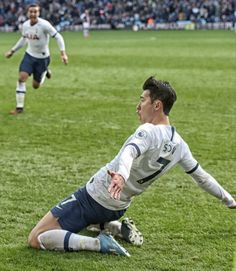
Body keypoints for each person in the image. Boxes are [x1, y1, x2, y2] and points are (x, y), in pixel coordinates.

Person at [28, 76, 236, 257]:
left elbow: (130, 152)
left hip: (95, 196)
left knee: (37, 238)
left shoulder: (148, 130)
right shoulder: (181, 146)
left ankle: (99, 243)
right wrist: (230, 201)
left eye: (142, 100)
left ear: (157, 106)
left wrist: (120, 175)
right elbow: (203, 177)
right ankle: (114, 227)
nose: (138, 106)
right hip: (119, 207)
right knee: (79, 224)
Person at [5, 4, 68, 115]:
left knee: (35, 86)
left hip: (42, 58)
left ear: (39, 13)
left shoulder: (44, 25)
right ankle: (19, 108)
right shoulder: (25, 25)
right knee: (21, 78)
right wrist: (13, 51)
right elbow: (24, 39)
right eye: (31, 12)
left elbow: (58, 36)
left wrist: (63, 53)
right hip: (29, 56)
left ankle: (45, 71)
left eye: (35, 12)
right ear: (28, 13)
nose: (33, 14)